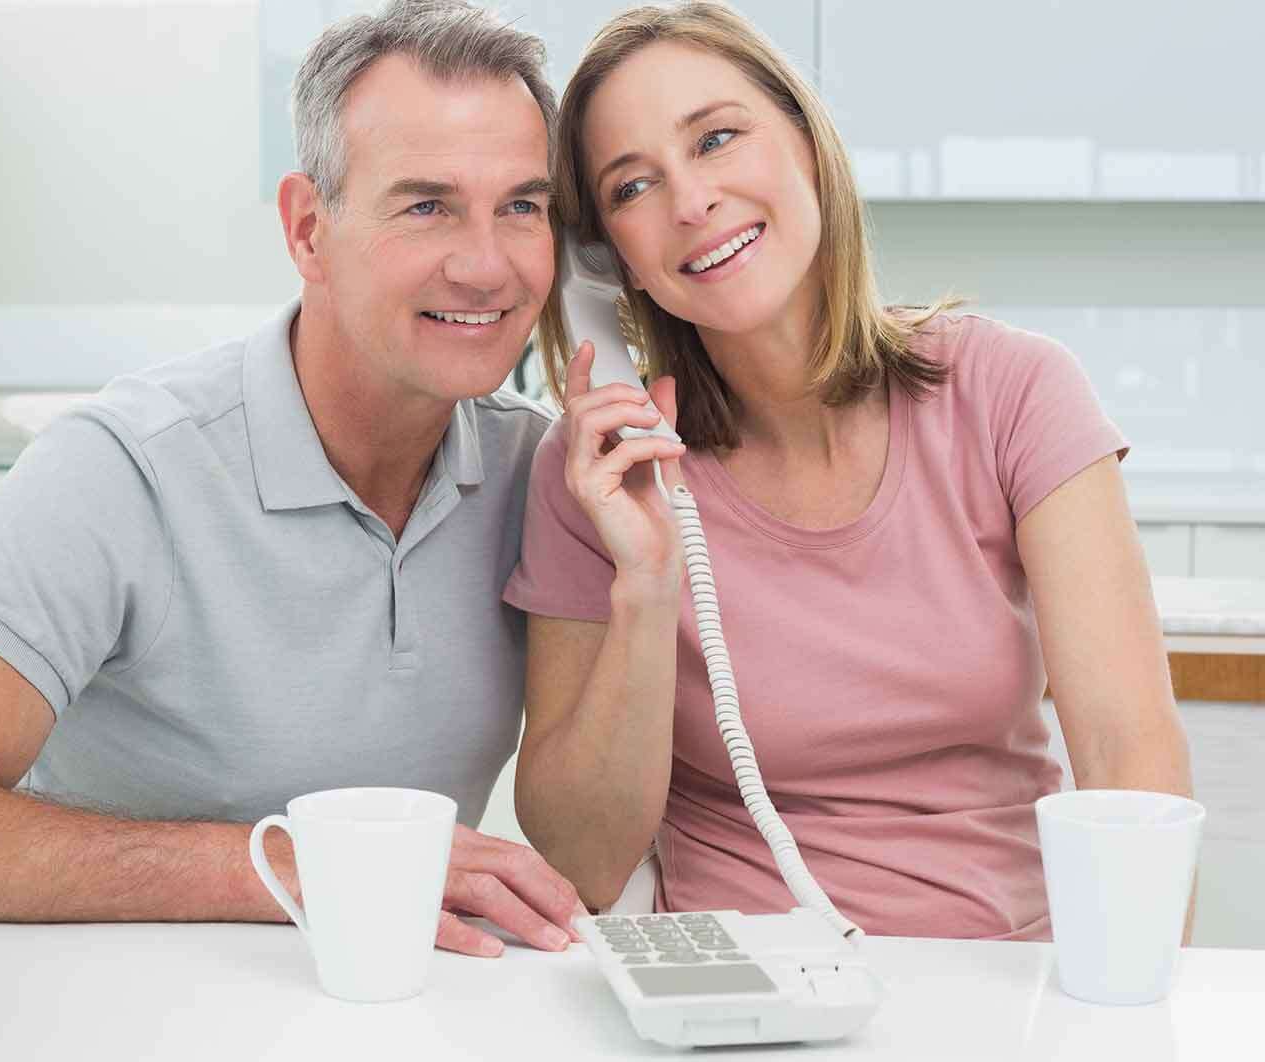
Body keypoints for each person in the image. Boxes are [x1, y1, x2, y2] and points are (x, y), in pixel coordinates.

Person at [0, 0, 585, 959]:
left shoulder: (539, 475)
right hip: (113, 1009)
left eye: (522, 206)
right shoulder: (121, 468)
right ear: (309, 230)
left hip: (382, 1004)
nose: (486, 265)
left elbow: (593, 850)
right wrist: (290, 866)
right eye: (426, 205)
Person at [502, 2, 1195, 941]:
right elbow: (584, 862)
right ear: (603, 258)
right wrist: (650, 583)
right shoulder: (598, 471)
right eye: (631, 188)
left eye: (717, 138)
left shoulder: (1015, 394)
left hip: (1011, 983)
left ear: (807, 139)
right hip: (739, 998)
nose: (691, 201)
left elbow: (1132, 769)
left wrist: (1131, 1014)